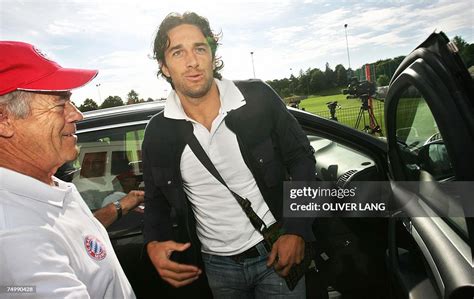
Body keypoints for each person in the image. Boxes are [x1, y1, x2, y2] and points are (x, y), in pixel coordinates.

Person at [142, 12, 316, 298]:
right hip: (216, 268)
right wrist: (153, 243)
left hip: (277, 252)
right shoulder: (158, 132)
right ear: (164, 66)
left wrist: (296, 230)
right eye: (177, 52)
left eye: (200, 48)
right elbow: (155, 200)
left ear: (212, 55)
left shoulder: (257, 98)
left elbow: (303, 160)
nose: (192, 61)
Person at [0, 41, 135, 298]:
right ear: (4, 119)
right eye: (60, 104)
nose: (77, 115)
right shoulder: (15, 236)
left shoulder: (52, 186)